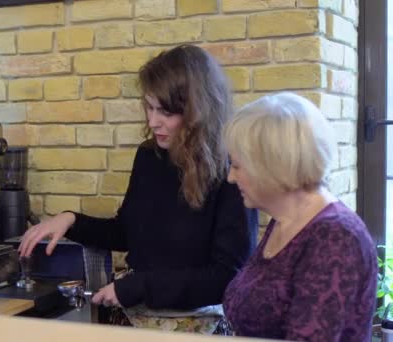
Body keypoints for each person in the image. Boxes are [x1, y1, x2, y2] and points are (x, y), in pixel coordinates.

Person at [19, 44, 257, 333]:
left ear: (198, 112)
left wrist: (138, 285)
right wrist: (71, 220)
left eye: (165, 112)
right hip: (135, 321)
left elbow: (227, 278)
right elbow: (128, 232)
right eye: (149, 107)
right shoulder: (149, 156)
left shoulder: (232, 172)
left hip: (201, 329)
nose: (152, 121)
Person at [222, 92, 377, 341]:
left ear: (271, 166)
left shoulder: (336, 238)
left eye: (237, 166)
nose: (231, 177)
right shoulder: (285, 220)